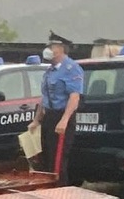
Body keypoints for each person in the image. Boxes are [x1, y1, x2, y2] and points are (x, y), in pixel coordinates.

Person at [28, 31, 84, 185]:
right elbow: (44, 97)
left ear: (60, 48)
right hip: (49, 117)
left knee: (57, 162)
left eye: (52, 46)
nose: (48, 49)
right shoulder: (50, 70)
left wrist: (64, 120)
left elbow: (74, 97)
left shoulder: (71, 68)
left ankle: (60, 191)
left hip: (62, 117)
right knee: (46, 158)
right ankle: (48, 191)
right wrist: (36, 120)